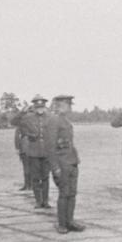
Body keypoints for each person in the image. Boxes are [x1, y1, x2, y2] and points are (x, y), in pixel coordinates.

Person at [49, 95, 85, 234]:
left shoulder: (65, 121)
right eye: (66, 104)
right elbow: (50, 146)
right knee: (64, 194)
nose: (69, 107)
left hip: (71, 161)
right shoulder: (54, 120)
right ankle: (62, 223)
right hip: (62, 163)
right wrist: (55, 167)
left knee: (72, 193)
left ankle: (70, 221)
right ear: (58, 105)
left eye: (69, 105)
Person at [11, 95, 54, 209]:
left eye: (42, 106)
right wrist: (22, 112)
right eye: (37, 106)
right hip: (33, 152)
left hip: (46, 152)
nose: (40, 108)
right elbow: (13, 121)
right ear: (34, 107)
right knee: (35, 178)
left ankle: (45, 201)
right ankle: (38, 201)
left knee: (45, 177)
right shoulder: (28, 117)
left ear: (45, 106)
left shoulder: (50, 117)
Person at [14, 106, 33, 191]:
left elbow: (17, 135)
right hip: (30, 145)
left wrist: (17, 147)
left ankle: (28, 185)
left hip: (25, 145)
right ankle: (30, 185)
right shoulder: (37, 120)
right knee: (31, 166)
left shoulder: (22, 120)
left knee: (27, 166)